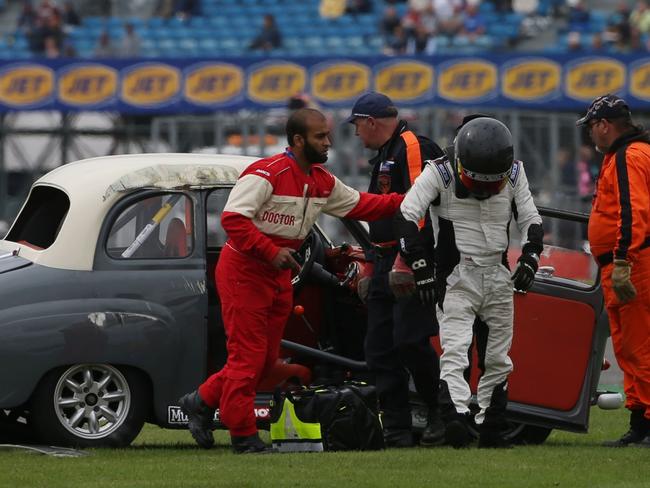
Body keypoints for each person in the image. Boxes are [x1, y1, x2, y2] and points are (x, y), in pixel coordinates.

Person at [179, 108, 405, 454]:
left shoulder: (321, 180)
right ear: (298, 140)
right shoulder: (266, 173)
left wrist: (411, 200)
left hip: (277, 274)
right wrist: (271, 252)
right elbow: (233, 220)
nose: (328, 142)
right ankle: (243, 436)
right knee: (248, 357)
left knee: (266, 359)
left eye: (327, 135)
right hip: (245, 271)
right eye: (320, 137)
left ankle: (202, 400)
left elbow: (364, 205)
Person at [394, 115, 543, 448]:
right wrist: (421, 266)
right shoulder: (440, 170)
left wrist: (532, 257)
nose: (486, 191)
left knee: (498, 356)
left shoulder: (516, 172)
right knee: (456, 349)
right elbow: (406, 213)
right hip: (455, 275)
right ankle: (455, 421)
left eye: (494, 184)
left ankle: (492, 427)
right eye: (479, 182)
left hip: (497, 273)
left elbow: (532, 219)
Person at [346, 92, 446, 447]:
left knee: (410, 341)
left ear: (371, 122)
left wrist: (411, 258)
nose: (356, 134)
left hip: (411, 260)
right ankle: (397, 428)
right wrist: (372, 263)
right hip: (385, 258)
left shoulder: (411, 146)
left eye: (357, 125)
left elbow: (419, 206)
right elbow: (379, 216)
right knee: (379, 348)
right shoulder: (385, 156)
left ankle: (440, 412)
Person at [576, 94, 650, 448]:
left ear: (604, 125)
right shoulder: (628, 154)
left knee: (640, 345)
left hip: (632, 265)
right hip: (626, 264)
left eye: (591, 127)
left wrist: (622, 259)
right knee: (629, 346)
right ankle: (640, 422)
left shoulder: (628, 157)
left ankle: (647, 423)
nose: (590, 135)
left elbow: (633, 211)